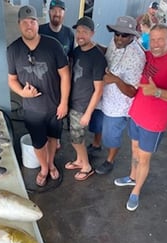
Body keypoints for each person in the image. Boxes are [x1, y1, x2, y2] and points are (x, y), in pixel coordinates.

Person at [114, 24, 167, 211]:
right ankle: (132, 177)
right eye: (152, 40)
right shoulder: (147, 55)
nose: (156, 44)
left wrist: (158, 92)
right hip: (136, 114)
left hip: (153, 123)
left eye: (160, 39)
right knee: (134, 150)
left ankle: (136, 191)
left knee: (144, 158)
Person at [7, 5, 70, 187]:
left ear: (38, 23)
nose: (29, 25)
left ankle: (51, 164)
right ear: (19, 24)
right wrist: (21, 92)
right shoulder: (13, 50)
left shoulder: (53, 45)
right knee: (38, 142)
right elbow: (11, 79)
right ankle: (43, 167)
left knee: (52, 139)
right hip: (32, 109)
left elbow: (65, 74)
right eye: (25, 22)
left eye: (33, 21)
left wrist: (64, 103)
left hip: (54, 106)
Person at [90, 16, 146, 175]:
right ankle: (95, 144)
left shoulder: (137, 57)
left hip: (117, 105)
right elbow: (110, 53)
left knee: (111, 135)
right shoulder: (114, 42)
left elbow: (132, 91)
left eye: (124, 35)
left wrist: (115, 79)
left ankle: (110, 160)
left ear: (133, 36)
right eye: (117, 33)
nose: (119, 38)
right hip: (103, 95)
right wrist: (95, 45)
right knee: (97, 123)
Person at [65, 16, 107, 181]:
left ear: (92, 33)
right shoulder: (76, 51)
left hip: (83, 105)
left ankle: (87, 166)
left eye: (85, 31)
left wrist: (88, 113)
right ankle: (79, 160)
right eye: (78, 31)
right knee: (75, 136)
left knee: (76, 138)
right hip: (72, 100)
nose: (80, 35)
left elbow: (99, 89)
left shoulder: (97, 58)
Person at [39, 0, 74, 149]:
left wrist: (70, 79)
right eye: (54, 10)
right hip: (42, 78)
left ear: (64, 13)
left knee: (60, 109)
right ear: (48, 12)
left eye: (60, 10)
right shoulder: (40, 30)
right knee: (42, 109)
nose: (57, 13)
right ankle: (43, 135)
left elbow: (71, 57)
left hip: (61, 80)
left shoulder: (68, 33)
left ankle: (56, 137)